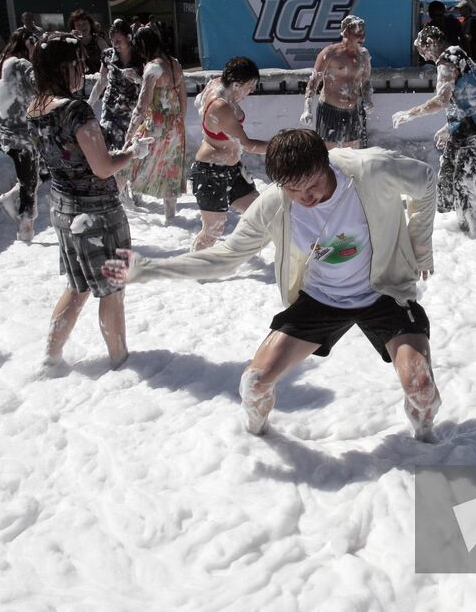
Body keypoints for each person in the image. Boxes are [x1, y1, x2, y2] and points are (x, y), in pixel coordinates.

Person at [104, 128, 440, 439]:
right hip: (320, 299)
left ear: (326, 163)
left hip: (383, 292)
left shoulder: (370, 169)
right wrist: (148, 269)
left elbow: (425, 181)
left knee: (421, 388)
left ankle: (425, 445)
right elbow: (227, 255)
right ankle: (255, 438)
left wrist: (419, 248)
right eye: (293, 190)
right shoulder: (275, 204)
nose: (305, 197)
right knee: (254, 383)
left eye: (312, 186)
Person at [26, 33, 151, 373]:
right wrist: (133, 152)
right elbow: (102, 167)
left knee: (77, 286)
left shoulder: (35, 106)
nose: (84, 71)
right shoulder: (75, 110)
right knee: (112, 290)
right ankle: (120, 361)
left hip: (64, 209)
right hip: (98, 213)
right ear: (67, 67)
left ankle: (50, 357)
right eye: (80, 64)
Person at [392, 25, 476, 232]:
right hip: (467, 129)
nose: (425, 58)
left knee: (465, 184)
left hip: (472, 134)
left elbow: (442, 100)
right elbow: (468, 98)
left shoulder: (447, 60)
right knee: (447, 179)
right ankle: (449, 231)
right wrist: (448, 126)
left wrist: (410, 113)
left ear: (430, 44)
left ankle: (472, 234)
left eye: (423, 52)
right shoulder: (462, 56)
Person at [191, 56, 268, 250]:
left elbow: (199, 102)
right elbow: (248, 145)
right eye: (249, 86)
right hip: (210, 172)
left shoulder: (217, 83)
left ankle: (244, 252)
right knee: (212, 232)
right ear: (236, 84)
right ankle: (193, 271)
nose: (251, 91)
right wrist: (281, 145)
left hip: (231, 169)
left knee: (258, 211)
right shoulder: (221, 106)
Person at [122, 24, 188, 224]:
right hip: (175, 124)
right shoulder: (174, 63)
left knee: (126, 163)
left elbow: (141, 107)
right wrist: (179, 123)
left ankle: (120, 207)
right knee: (170, 170)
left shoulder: (152, 68)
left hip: (156, 123)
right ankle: (171, 217)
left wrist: (128, 135)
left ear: (142, 45)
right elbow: (183, 97)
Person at [0, 34, 41, 242]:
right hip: (21, 136)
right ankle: (25, 230)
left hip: (2, 133)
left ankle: (12, 200)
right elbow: (41, 86)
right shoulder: (22, 64)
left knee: (34, 176)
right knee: (30, 182)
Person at [301, 14, 373, 149]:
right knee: (329, 155)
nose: (362, 37)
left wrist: (368, 99)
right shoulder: (330, 53)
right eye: (358, 33)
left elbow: (366, 82)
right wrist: (307, 107)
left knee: (353, 155)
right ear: (346, 32)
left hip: (352, 111)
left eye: (363, 33)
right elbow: (313, 81)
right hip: (329, 111)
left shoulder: (364, 55)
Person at [90, 17, 141, 165]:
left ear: (129, 38)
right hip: (111, 108)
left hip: (131, 110)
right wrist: (90, 102)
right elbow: (102, 80)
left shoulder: (140, 56)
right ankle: (109, 178)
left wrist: (137, 78)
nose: (115, 45)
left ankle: (125, 182)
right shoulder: (107, 55)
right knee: (106, 143)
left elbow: (149, 84)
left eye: (119, 41)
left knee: (127, 148)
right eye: (113, 41)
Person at [69, 8, 110, 75]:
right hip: (79, 83)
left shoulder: (98, 41)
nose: (82, 27)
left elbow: (111, 58)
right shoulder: (71, 43)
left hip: (98, 81)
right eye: (78, 25)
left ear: (90, 25)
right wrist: (73, 41)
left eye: (84, 23)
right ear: (74, 27)